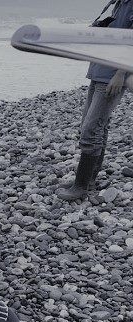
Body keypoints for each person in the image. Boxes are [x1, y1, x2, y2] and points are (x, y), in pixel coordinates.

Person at [57, 0, 132, 201]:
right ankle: (89, 179)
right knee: (98, 126)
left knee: (91, 130)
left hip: (112, 76)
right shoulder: (116, 3)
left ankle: (80, 187)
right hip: (99, 70)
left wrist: (120, 74)